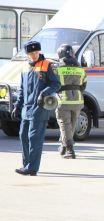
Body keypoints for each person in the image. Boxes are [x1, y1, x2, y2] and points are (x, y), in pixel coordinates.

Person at [11, 41, 60, 175]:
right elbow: (22, 89)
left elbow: (56, 84)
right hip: (26, 108)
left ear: (39, 52)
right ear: (27, 54)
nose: (34, 55)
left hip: (39, 107)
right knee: (23, 136)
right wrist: (17, 105)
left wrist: (43, 93)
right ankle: (26, 164)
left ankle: (32, 167)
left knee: (34, 137)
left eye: (36, 53)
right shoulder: (25, 67)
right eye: (31, 53)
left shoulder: (48, 65)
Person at [55, 44, 87, 159]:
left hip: (63, 100)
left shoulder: (58, 68)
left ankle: (70, 150)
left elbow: (55, 84)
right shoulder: (79, 68)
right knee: (71, 126)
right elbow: (83, 85)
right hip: (78, 101)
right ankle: (64, 146)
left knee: (64, 126)